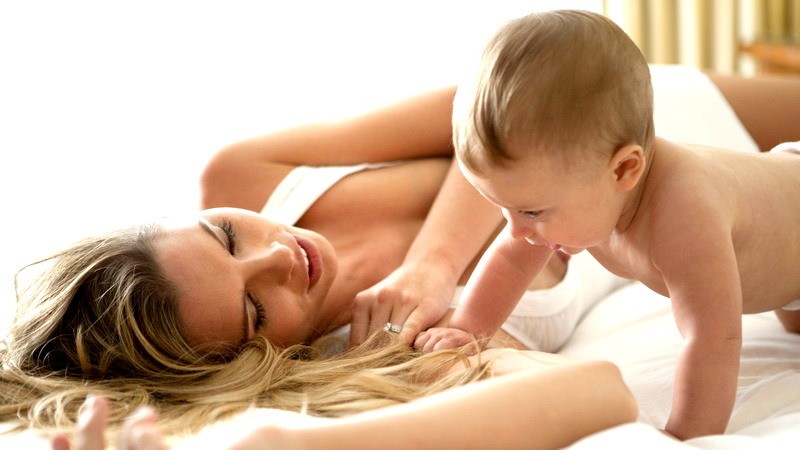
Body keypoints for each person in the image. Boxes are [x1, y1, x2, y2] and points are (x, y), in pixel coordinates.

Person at [1, 85, 630, 446]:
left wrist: (431, 265)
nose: (279, 256)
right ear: (245, 362)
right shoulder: (390, 352)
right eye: (255, 308)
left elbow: (512, 101)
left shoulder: (242, 175)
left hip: (621, 100)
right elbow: (603, 392)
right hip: (656, 202)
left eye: (225, 236)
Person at [415, 9, 800, 441]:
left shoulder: (686, 214)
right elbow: (512, 260)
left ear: (623, 170)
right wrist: (467, 330)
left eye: (531, 212)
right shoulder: (583, 192)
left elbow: (714, 338)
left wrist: (685, 437)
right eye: (503, 209)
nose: (517, 230)